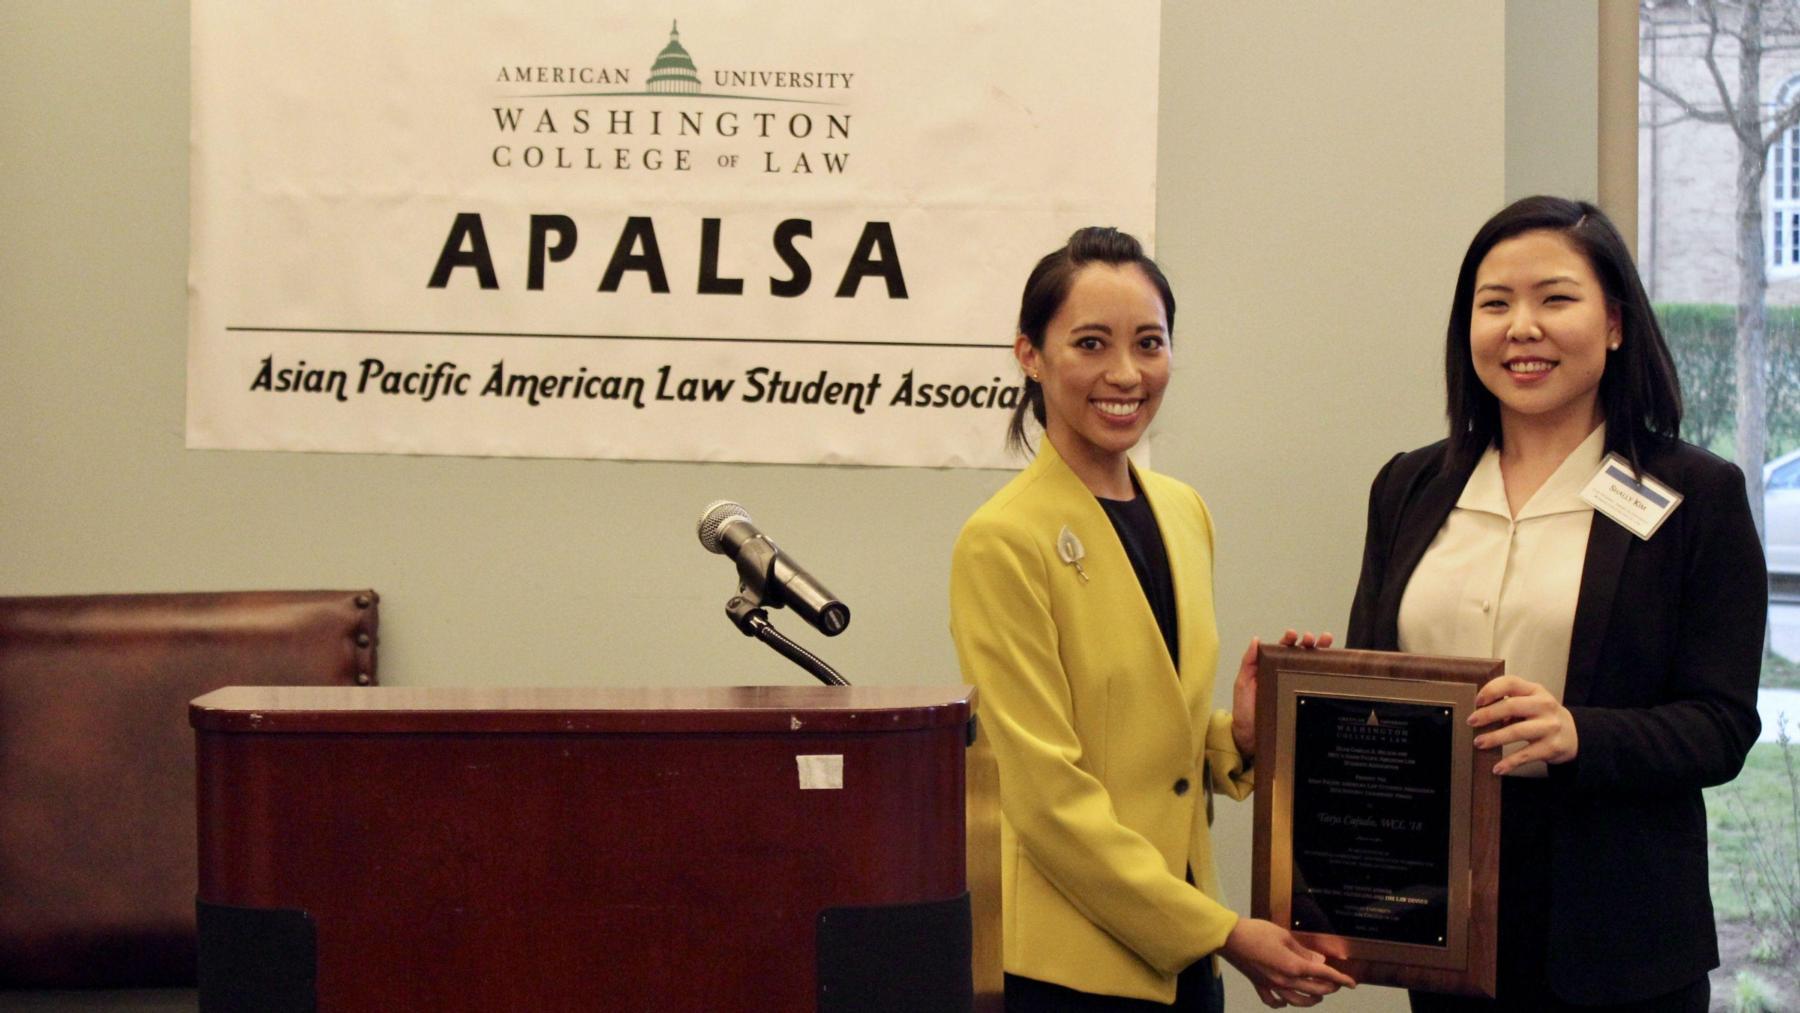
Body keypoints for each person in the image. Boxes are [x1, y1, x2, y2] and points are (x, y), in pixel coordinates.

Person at [1345, 196, 1765, 1012]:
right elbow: (1377, 689)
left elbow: (1722, 723)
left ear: (1613, 324)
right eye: (1494, 303)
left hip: (1618, 937)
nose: (1522, 327)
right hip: (1447, 920)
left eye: (1555, 299)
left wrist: (1580, 732)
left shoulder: (1694, 494)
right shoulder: (1409, 485)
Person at [950, 227, 1356, 1011]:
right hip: (1073, 971)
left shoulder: (1182, 510)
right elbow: (1048, 800)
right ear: (1029, 354)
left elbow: (1143, 735)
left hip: (1185, 961)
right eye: (1091, 343)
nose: (1126, 373)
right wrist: (1227, 932)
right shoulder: (1001, 540)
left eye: (1150, 342)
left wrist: (1232, 736)